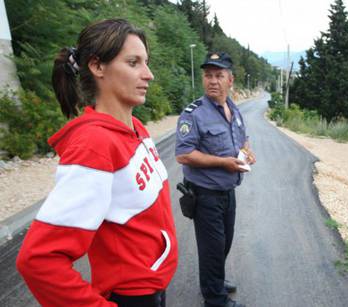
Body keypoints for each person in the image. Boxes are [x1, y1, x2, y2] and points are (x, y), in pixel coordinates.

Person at [16, 19, 178, 307]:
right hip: (132, 298)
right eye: (133, 63)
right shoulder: (94, 145)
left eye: (146, 62)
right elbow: (38, 259)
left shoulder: (137, 128)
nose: (149, 74)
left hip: (156, 288)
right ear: (97, 66)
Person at [175, 51, 255, 307]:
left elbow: (243, 138)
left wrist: (247, 152)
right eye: (208, 75)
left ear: (230, 80)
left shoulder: (233, 109)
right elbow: (184, 154)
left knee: (224, 244)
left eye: (219, 75)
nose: (213, 81)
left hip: (228, 191)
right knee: (212, 249)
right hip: (205, 193)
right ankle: (215, 300)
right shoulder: (194, 113)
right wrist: (224, 163)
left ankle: (215, 282)